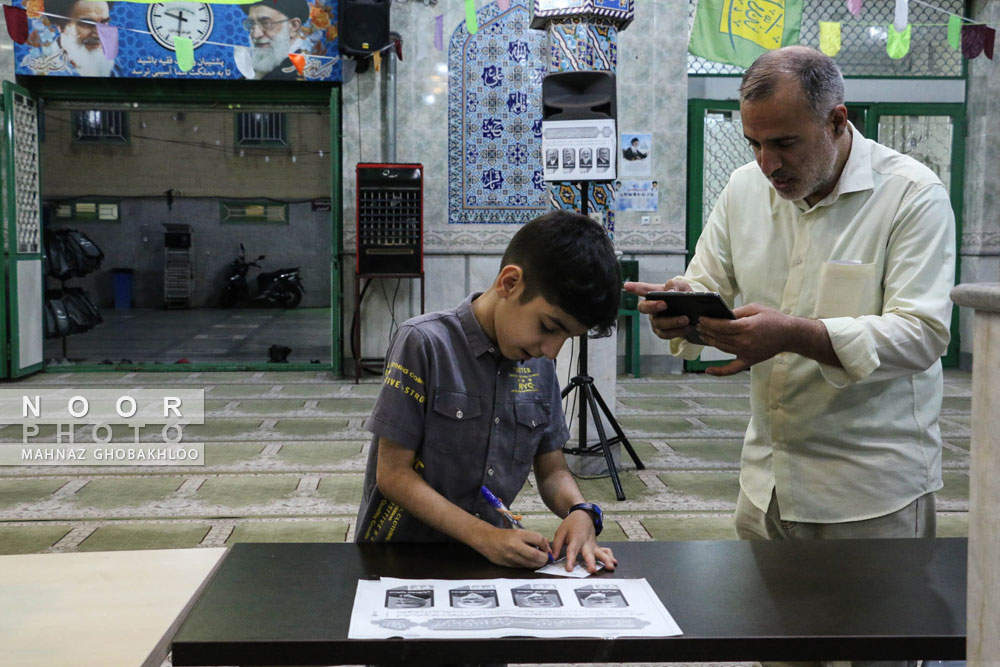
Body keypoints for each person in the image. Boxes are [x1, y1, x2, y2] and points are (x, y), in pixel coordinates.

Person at [627, 47, 954, 574]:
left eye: (784, 143)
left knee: (871, 649)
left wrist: (794, 335)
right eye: (754, 143)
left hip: (870, 492)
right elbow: (706, 279)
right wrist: (680, 306)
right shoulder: (743, 189)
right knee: (774, 647)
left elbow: (922, 334)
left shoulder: (912, 196)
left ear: (836, 121)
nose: (767, 165)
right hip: (766, 484)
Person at [355, 210, 621, 574]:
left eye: (567, 338)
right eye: (548, 326)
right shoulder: (424, 343)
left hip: (485, 563)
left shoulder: (538, 363)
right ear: (509, 283)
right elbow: (393, 475)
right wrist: (485, 536)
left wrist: (580, 511)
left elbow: (552, 468)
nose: (552, 350)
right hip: (400, 557)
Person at [45, 0, 115, 77]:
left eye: (104, 23)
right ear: (61, 26)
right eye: (87, 24)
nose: (98, 34)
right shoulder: (43, 69)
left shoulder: (115, 68)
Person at [240, 0, 307, 80]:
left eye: (266, 23)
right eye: (251, 24)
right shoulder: (255, 70)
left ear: (293, 26)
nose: (255, 34)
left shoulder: (302, 72)